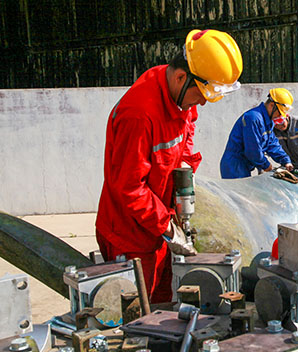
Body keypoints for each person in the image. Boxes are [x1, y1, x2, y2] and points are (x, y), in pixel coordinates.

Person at [96, 29, 243, 303]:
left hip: (157, 228)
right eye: (201, 95)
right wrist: (166, 226)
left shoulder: (180, 96)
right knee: (140, 314)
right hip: (130, 237)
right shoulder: (139, 115)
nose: (201, 103)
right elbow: (129, 188)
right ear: (180, 77)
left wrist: (185, 172)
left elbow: (187, 130)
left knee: (166, 305)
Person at [220, 88, 294, 179]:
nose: (280, 116)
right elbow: (252, 150)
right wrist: (267, 165)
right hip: (234, 166)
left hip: (244, 166)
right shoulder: (253, 118)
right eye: (279, 113)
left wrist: (285, 161)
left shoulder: (268, 122)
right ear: (272, 105)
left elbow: (272, 144)